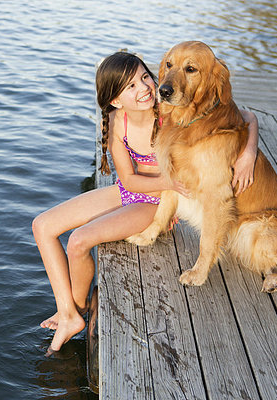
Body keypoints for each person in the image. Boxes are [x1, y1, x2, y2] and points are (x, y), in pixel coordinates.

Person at [32, 51, 259, 354]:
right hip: (135, 190)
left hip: (157, 205)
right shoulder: (116, 122)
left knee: (78, 241)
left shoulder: (168, 108)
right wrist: (168, 181)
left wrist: (249, 153)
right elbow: (127, 180)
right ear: (115, 101)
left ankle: (77, 308)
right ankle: (68, 311)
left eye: (145, 77)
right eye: (131, 87)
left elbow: (247, 117)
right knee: (42, 225)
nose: (145, 89)